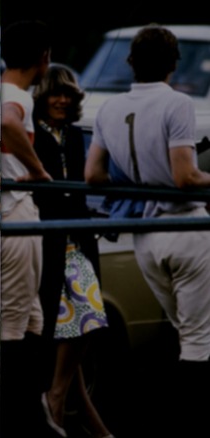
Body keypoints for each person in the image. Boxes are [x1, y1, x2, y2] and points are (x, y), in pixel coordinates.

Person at [84, 24, 210, 438]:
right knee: (197, 340)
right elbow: (185, 176)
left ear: (131, 62)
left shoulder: (109, 109)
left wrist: (136, 175)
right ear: (174, 64)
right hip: (185, 225)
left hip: (145, 237)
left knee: (184, 332)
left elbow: (94, 175)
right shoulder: (178, 103)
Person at [31, 64, 114, 438]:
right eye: (55, 94)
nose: (62, 100)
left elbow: (81, 186)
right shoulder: (31, 134)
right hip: (47, 242)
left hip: (77, 239)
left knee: (86, 316)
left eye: (68, 94)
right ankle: (65, 405)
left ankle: (60, 401)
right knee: (76, 319)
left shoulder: (77, 135)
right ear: (42, 97)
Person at [0, 19, 54, 437]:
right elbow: (9, 123)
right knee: (16, 322)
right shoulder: (16, 95)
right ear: (42, 58)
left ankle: (35, 413)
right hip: (16, 212)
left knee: (32, 317)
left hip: (21, 216)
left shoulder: (10, 90)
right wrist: (38, 170)